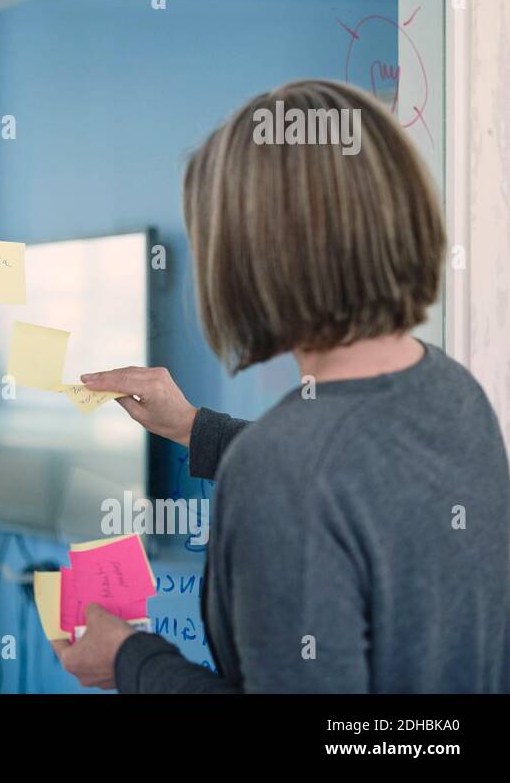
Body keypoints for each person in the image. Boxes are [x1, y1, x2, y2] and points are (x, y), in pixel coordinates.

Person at [51, 79, 509, 693]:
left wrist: (132, 660)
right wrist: (195, 428)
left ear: (248, 257)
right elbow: (352, 473)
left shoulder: (284, 469)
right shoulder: (453, 390)